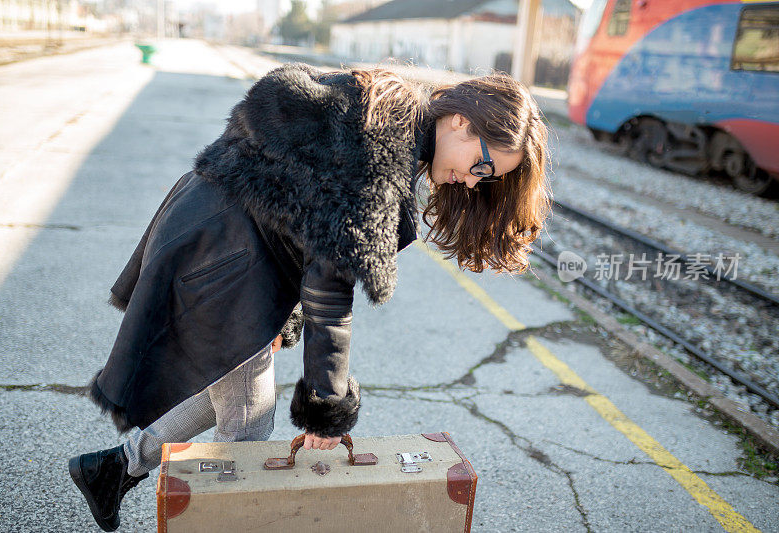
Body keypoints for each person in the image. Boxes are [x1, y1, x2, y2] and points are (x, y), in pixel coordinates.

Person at [67, 62, 552, 531]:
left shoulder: (391, 113)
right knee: (249, 429)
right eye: (482, 165)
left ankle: (112, 470)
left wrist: (283, 319)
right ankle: (161, 493)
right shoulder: (381, 146)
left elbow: (307, 226)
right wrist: (326, 406)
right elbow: (329, 290)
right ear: (461, 122)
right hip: (224, 254)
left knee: (231, 385)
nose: (473, 180)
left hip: (216, 232)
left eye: (488, 179)